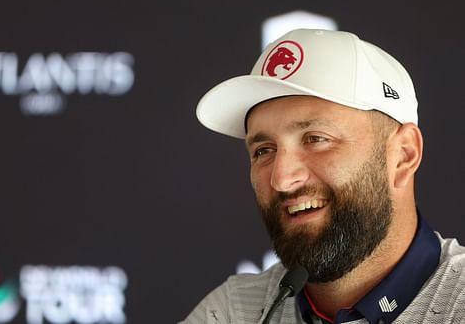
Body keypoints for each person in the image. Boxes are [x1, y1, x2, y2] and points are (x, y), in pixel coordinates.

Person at [180, 29, 465, 324]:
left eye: (316, 139)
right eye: (264, 150)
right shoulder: (237, 311)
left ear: (403, 155)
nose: (281, 178)